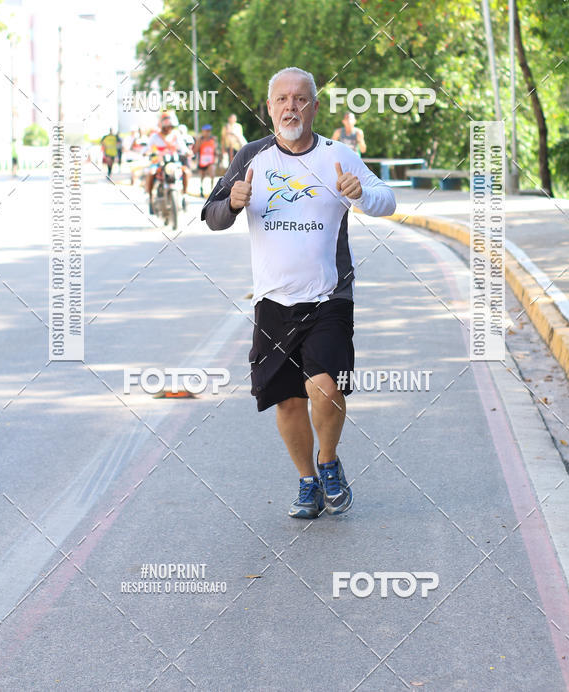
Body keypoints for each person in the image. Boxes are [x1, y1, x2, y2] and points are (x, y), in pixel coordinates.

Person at [201, 67, 396, 519]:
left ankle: (328, 462)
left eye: (301, 99)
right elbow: (210, 214)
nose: (292, 107)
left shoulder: (338, 155)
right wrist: (232, 201)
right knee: (287, 399)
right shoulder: (252, 156)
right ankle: (307, 480)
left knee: (325, 387)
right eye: (282, 99)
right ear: (269, 108)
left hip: (330, 296)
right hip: (272, 301)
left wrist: (362, 192)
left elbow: (387, 199)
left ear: (314, 106)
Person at [144, 113, 184, 213]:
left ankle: (184, 197)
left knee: (186, 172)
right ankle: (150, 198)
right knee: (151, 173)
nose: (168, 129)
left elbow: (183, 148)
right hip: (158, 163)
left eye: (170, 127)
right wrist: (148, 152)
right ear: (162, 126)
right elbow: (146, 149)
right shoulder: (155, 136)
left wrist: (188, 152)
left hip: (173, 164)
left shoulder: (176, 135)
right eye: (166, 127)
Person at [193, 124, 218, 198]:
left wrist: (217, 156)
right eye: (206, 131)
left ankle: (212, 191)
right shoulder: (200, 140)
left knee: (212, 174)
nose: (208, 132)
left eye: (209, 131)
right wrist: (200, 144)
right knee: (202, 176)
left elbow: (215, 149)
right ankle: (201, 189)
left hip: (211, 160)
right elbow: (195, 150)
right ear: (203, 131)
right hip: (202, 161)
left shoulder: (213, 139)